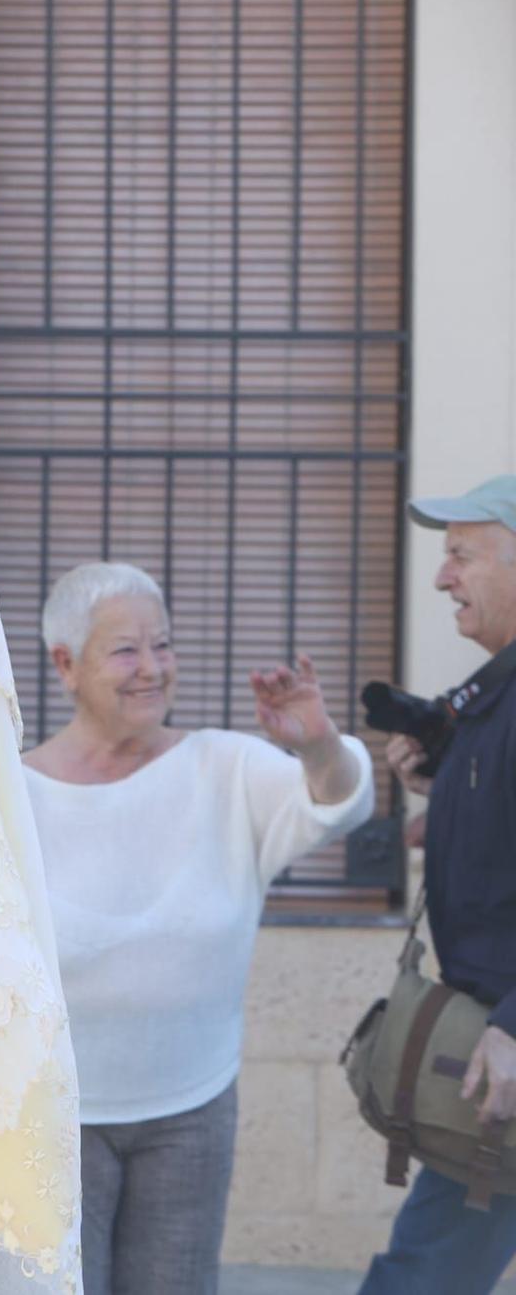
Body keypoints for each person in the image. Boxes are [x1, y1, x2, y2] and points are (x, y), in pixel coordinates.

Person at [22, 562, 374, 1295]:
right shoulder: (15, 790)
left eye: (164, 644)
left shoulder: (225, 767)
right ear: (66, 664)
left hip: (190, 1111)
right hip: (50, 1115)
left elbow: (340, 802)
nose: (152, 668)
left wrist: (317, 746)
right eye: (125, 650)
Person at [360, 476, 516, 1295]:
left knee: (418, 1279)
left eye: (461, 554)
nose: (440, 577)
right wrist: (447, 788)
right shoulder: (496, 696)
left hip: (505, 1051)